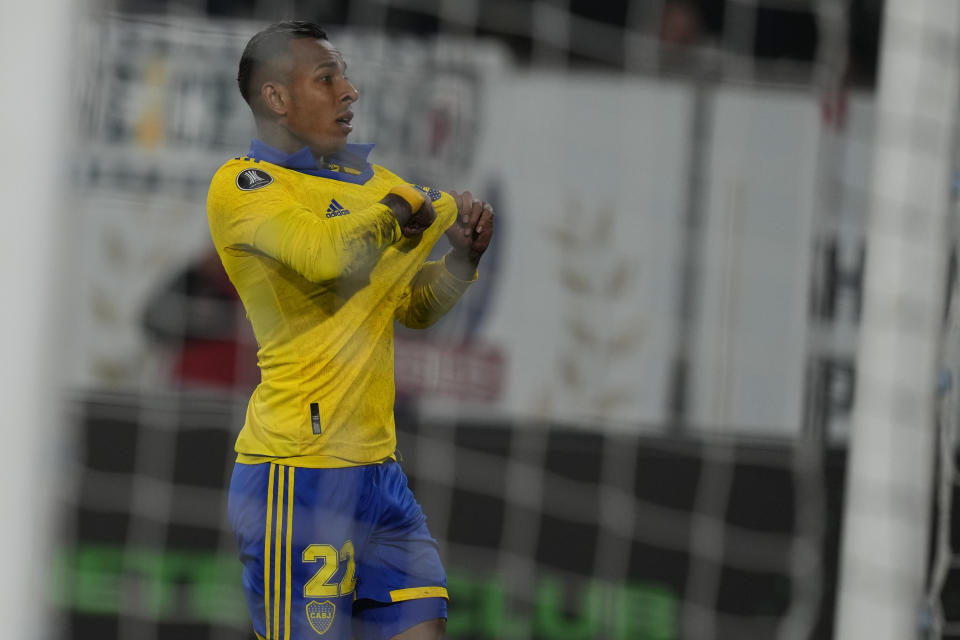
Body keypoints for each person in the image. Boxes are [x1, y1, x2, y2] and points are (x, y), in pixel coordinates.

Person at [207, 21, 494, 640]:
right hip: (296, 474)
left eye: (346, 76)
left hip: (378, 472)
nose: (351, 92)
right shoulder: (245, 187)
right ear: (276, 98)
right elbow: (326, 257)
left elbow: (413, 307)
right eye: (327, 77)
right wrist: (409, 208)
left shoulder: (374, 184)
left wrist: (463, 261)